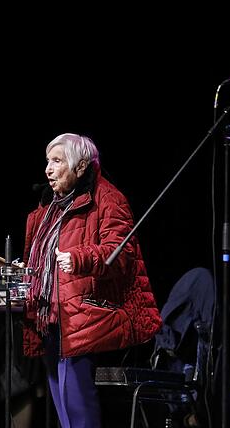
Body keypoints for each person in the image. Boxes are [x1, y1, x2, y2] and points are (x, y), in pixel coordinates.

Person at [21, 133, 162, 428]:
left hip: (87, 316)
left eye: (57, 161)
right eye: (47, 161)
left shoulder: (108, 200)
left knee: (78, 410)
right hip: (52, 317)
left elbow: (120, 254)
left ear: (81, 166)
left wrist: (80, 258)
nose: (48, 169)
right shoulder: (48, 210)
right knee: (64, 411)